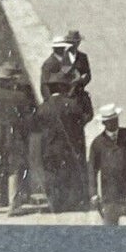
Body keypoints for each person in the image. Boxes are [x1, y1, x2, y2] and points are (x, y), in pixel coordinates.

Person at [0, 62, 35, 216]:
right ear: (12, 81)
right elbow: (28, 120)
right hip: (14, 139)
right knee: (14, 171)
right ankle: (13, 206)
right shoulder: (20, 97)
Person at [35, 77, 92, 213]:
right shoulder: (71, 104)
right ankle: (72, 203)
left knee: (53, 175)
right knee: (69, 174)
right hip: (68, 146)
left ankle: (56, 204)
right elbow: (82, 119)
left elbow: (36, 125)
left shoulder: (43, 107)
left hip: (49, 147)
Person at [87, 105, 126, 226]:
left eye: (115, 120)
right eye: (110, 122)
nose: (114, 123)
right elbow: (92, 170)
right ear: (104, 123)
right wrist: (93, 193)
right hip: (110, 195)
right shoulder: (97, 143)